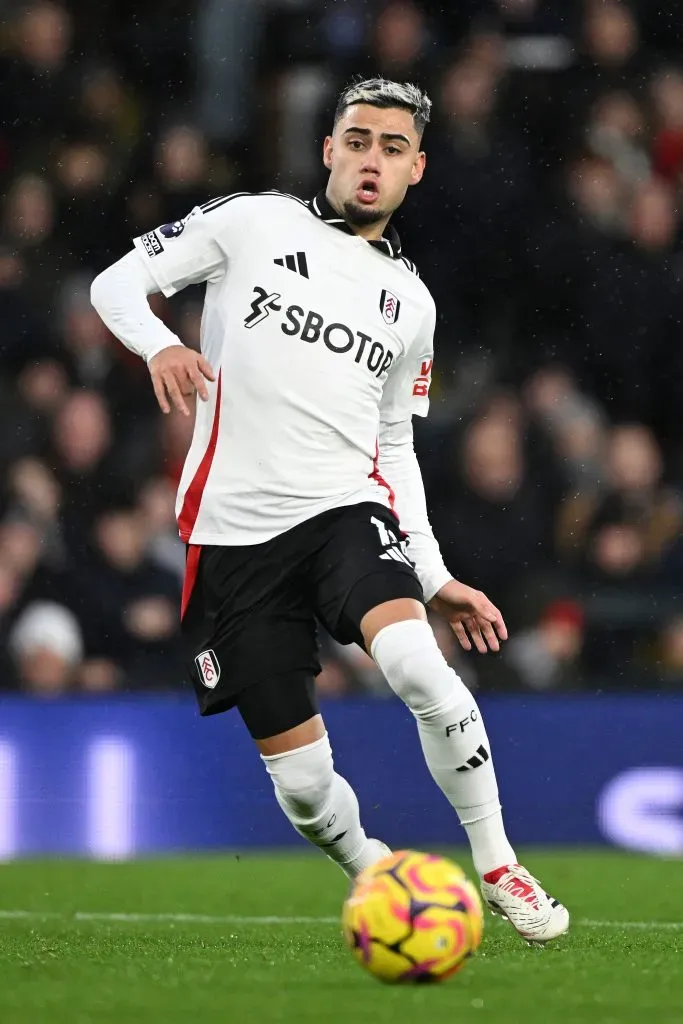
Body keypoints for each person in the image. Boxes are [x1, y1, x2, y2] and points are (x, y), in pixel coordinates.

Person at [90, 77, 568, 945]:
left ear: (416, 168)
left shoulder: (412, 305)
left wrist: (434, 575)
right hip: (231, 535)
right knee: (307, 789)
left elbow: (392, 450)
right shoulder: (251, 222)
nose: (370, 160)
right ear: (328, 150)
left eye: (391, 147)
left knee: (424, 673)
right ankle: (373, 872)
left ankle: (498, 864)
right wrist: (162, 343)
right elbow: (116, 285)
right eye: (356, 140)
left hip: (342, 514)